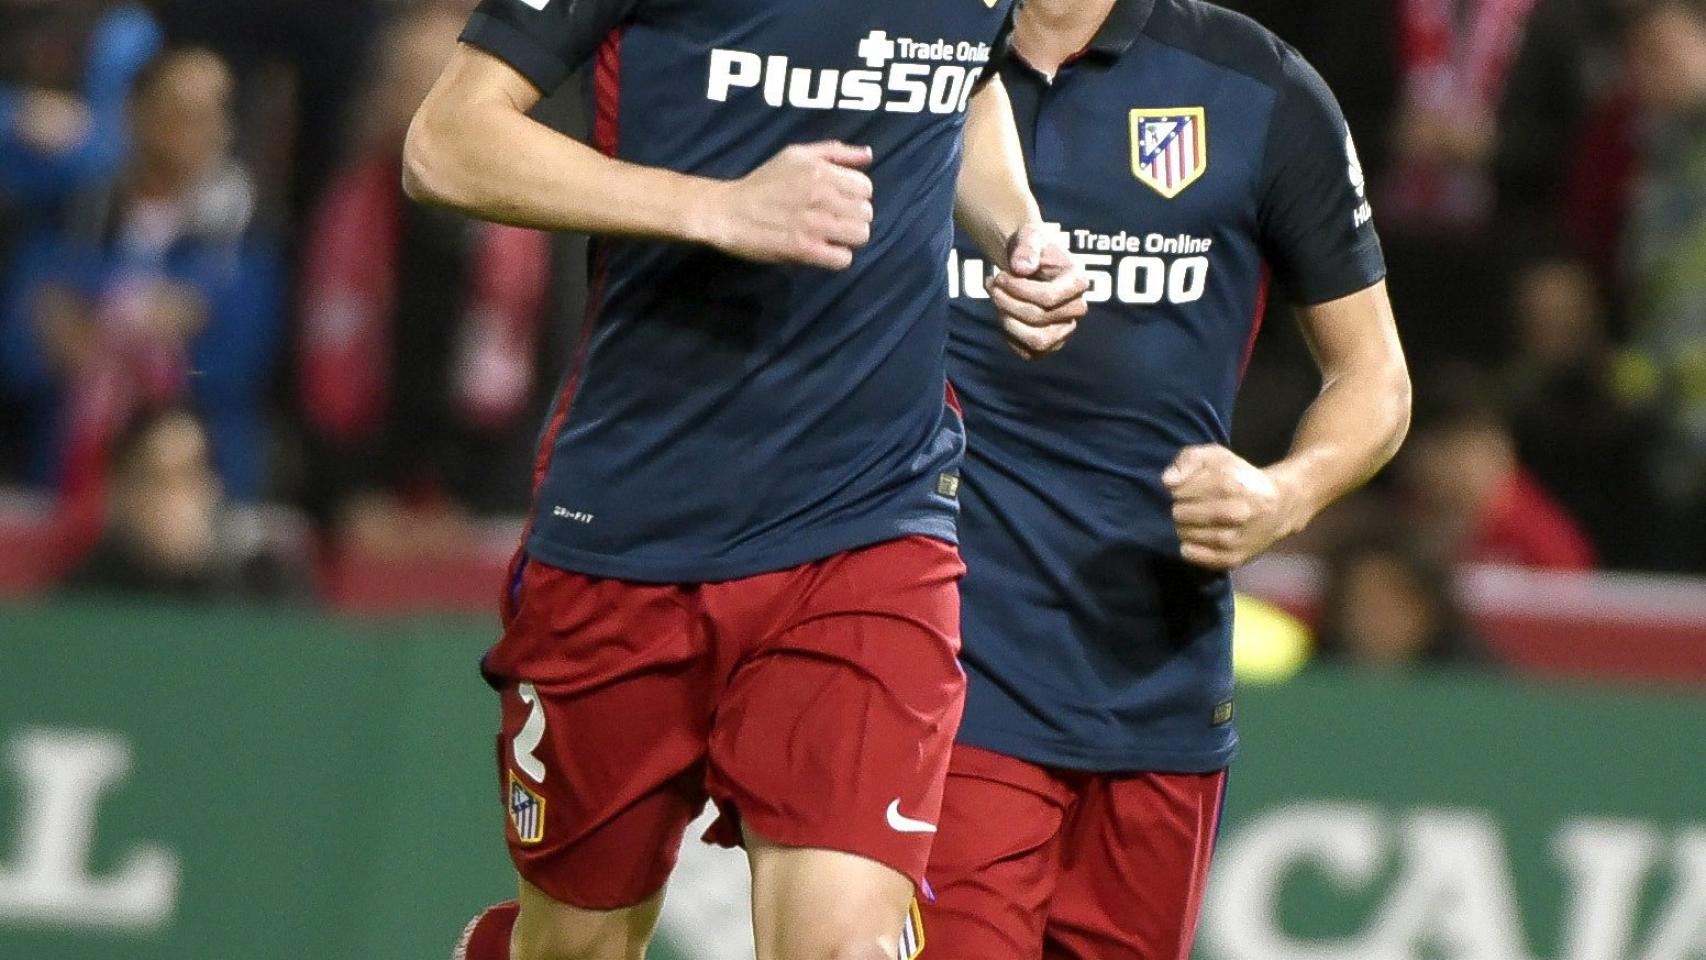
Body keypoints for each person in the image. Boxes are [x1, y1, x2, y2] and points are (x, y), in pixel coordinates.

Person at [403, 3, 1090, 960]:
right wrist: (713, 206)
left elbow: (959, 83)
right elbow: (445, 143)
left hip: (871, 517)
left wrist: (1020, 229)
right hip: (634, 517)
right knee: (578, 943)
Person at [923, 1, 1412, 957]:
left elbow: (1376, 376)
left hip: (1161, 690)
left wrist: (1285, 494)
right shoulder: (912, 58)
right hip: (953, 666)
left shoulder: (1257, 85)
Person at [0, 45, 282, 511]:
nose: (195, 127)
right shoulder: (74, 216)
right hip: (68, 479)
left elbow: (238, 368)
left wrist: (147, 344)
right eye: (177, 109)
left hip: (201, 496)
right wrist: (131, 326)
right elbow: (22, 346)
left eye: (210, 112)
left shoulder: (247, 232)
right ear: (135, 111)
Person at [59, 405, 312, 602]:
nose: (177, 496)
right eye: (159, 478)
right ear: (121, 495)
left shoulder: (262, 584)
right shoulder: (87, 596)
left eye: (190, 473)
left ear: (214, 489)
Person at [1313, 527, 1488, 670]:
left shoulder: (1471, 685)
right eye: (1364, 604)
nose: (1377, 618)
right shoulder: (1305, 683)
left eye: (1391, 602)